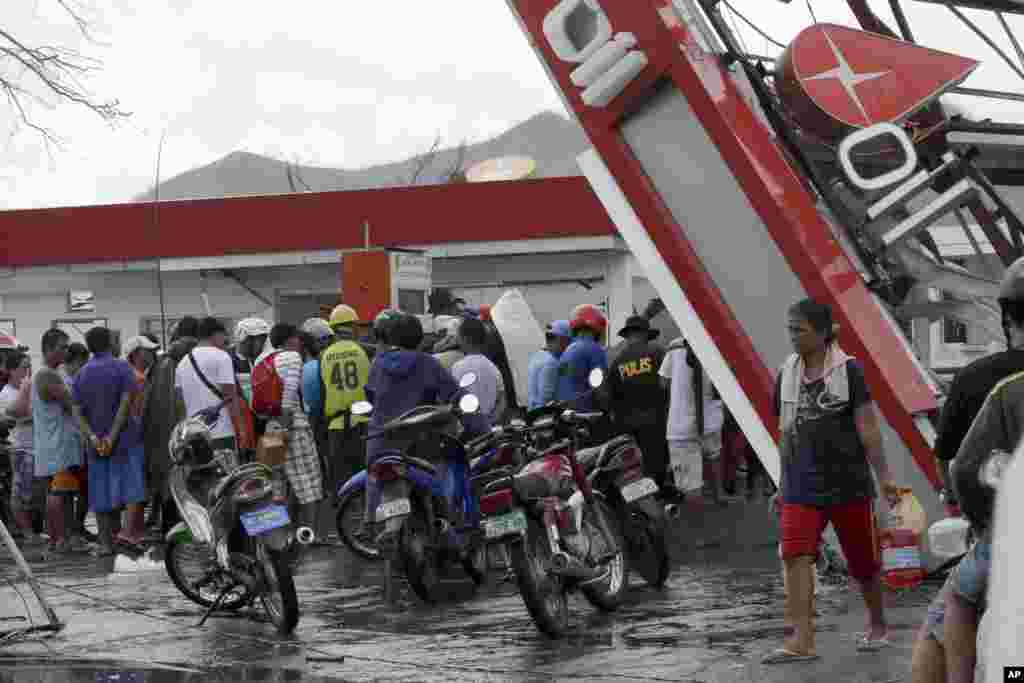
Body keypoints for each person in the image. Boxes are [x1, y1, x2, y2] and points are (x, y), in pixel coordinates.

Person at [763, 298, 900, 664]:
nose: (792, 337)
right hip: (800, 485)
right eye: (790, 329)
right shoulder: (785, 373)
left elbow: (868, 428)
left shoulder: (849, 371)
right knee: (794, 555)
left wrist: (884, 477)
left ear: (823, 334)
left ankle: (877, 624)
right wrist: (781, 483)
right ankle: (801, 640)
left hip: (848, 483)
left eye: (800, 330)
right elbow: (785, 433)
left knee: (864, 562)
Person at [910, 256, 1024, 683]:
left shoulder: (987, 383)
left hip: (1007, 537)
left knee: (949, 612)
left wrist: (979, 519)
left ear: (1007, 315)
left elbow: (961, 467)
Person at [73, 327, 148, 553]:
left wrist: (95, 438)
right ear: (110, 343)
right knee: (133, 488)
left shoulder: (82, 373)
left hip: (96, 445)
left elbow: (77, 411)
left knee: (101, 492)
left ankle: (106, 543)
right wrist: (112, 436)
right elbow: (125, 404)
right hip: (125, 440)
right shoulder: (122, 368)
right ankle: (129, 536)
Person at [364, 313, 461, 470]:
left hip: (380, 447)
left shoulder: (378, 364)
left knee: (374, 485)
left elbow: (370, 398)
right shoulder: (428, 363)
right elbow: (455, 396)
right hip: (418, 449)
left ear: (391, 339)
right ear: (421, 339)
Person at [18, 329, 84, 555]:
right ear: (48, 349)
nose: (66, 351)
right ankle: (59, 539)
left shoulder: (50, 373)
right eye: (62, 347)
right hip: (57, 445)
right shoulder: (48, 376)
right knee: (59, 493)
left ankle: (64, 538)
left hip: (55, 443)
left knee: (64, 493)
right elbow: (72, 403)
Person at [254, 323, 323, 534]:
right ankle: (309, 533)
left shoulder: (262, 360)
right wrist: (287, 423)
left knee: (275, 481)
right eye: (297, 338)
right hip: (294, 426)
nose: (300, 343)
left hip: (271, 427)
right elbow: (290, 391)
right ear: (289, 340)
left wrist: (277, 425)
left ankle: (276, 535)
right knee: (307, 481)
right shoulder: (292, 357)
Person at [605, 316, 670, 489]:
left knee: (634, 465)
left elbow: (611, 395)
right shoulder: (658, 353)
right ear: (644, 334)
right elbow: (669, 385)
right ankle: (659, 495)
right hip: (655, 420)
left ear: (628, 336)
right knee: (656, 461)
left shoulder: (617, 361)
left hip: (626, 423)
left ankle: (640, 501)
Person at [659, 337, 725, 504]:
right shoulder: (717, 341)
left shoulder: (674, 347)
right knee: (714, 457)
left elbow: (663, 383)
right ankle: (718, 496)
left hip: (681, 425)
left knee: (690, 488)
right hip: (711, 419)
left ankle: (698, 508)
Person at [318, 307, 371, 500]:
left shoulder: (323, 355)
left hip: (335, 424)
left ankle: (343, 515)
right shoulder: (364, 350)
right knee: (365, 473)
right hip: (362, 422)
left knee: (341, 479)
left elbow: (323, 391)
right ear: (353, 326)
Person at [175, 317, 241, 452]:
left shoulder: (182, 362)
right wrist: (241, 430)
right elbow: (230, 397)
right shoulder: (222, 357)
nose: (225, 340)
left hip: (194, 437)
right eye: (224, 335)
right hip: (222, 434)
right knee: (226, 473)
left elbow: (179, 403)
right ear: (216, 334)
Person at [0, 352, 40, 544]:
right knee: (21, 493)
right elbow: (16, 418)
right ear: (12, 371)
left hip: (35, 447)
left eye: (29, 366)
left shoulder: (29, 389)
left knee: (35, 494)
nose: (27, 371)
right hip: (20, 448)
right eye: (24, 367)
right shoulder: (6, 394)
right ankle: (26, 532)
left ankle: (34, 530)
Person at [451, 316, 503, 436]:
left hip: (465, 431)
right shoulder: (493, 368)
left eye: (458, 336)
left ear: (465, 338)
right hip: (488, 431)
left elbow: (452, 401)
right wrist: (488, 421)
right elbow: (502, 402)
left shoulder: (457, 367)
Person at [556, 304, 608, 410]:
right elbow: (599, 387)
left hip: (567, 413)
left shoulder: (567, 351)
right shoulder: (593, 349)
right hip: (586, 414)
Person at [232, 317, 272, 439]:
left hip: (265, 420)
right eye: (256, 339)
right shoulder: (228, 360)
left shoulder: (265, 360)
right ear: (243, 339)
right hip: (243, 422)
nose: (260, 344)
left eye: (263, 339)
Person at [527, 320, 571, 411]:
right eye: (568, 342)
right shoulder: (551, 363)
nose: (569, 346)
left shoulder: (537, 356)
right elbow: (546, 400)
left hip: (533, 412)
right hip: (543, 418)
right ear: (561, 340)